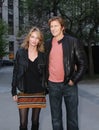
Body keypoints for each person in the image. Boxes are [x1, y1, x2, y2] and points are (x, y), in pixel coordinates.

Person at [45, 16, 87, 130]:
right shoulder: (47, 43)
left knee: (72, 119)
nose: (53, 28)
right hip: (53, 85)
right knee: (56, 119)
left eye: (56, 26)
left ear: (62, 27)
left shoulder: (73, 42)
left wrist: (74, 80)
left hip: (69, 85)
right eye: (51, 26)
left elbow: (83, 64)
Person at [11, 27, 46, 130]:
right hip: (23, 90)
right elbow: (15, 72)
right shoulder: (20, 53)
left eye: (37, 38)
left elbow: (47, 72)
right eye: (32, 37)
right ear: (29, 37)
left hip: (38, 91)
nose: (34, 40)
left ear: (40, 40)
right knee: (23, 123)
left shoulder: (43, 55)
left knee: (35, 122)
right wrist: (13, 91)